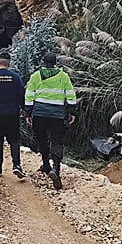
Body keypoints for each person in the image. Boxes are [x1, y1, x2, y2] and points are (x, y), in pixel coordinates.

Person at [24, 52, 77, 190]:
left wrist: (28, 113)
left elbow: (29, 95)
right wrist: (72, 112)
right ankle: (56, 169)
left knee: (42, 139)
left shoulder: (36, 76)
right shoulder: (63, 76)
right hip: (57, 115)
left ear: (43, 62)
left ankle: (46, 164)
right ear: (55, 63)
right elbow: (71, 94)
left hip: (39, 114)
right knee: (56, 140)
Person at [0, 51, 26, 179]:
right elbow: (22, 94)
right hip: (12, 113)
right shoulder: (15, 77)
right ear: (9, 63)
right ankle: (17, 165)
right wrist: (22, 108)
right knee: (14, 140)